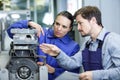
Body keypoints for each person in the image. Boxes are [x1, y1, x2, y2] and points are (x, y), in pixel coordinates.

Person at [40, 6, 120, 80]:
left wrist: (94, 75)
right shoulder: (87, 44)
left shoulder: (112, 40)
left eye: (80, 23)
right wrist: (58, 54)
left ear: (93, 20)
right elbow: (72, 63)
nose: (78, 28)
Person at [7, 11, 80, 80]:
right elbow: (10, 31)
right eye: (57, 24)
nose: (59, 28)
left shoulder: (73, 47)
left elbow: (74, 74)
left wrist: (54, 71)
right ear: (53, 23)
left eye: (64, 27)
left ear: (70, 29)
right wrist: (29, 23)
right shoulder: (41, 33)